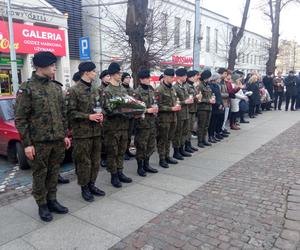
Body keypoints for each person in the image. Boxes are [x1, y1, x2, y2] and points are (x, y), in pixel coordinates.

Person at [15, 51, 71, 222]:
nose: (55, 68)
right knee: (40, 174)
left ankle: (52, 200)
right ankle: (42, 204)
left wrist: (65, 135)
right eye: (53, 65)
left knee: (54, 172)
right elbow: (21, 118)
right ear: (41, 66)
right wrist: (27, 144)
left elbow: (63, 114)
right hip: (39, 143)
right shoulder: (27, 88)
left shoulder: (56, 87)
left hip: (57, 140)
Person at [68, 62, 105, 202]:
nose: (96, 73)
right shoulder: (74, 90)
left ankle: (92, 184)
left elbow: (100, 106)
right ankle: (84, 187)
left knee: (96, 161)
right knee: (84, 162)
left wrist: (101, 116)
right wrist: (88, 116)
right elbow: (70, 113)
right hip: (82, 134)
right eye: (94, 71)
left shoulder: (96, 89)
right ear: (86, 72)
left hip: (96, 131)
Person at [102, 62, 133, 188]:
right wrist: (119, 110)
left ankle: (120, 172)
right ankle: (113, 175)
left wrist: (133, 110)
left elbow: (129, 104)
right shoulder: (106, 91)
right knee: (112, 152)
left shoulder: (123, 89)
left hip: (124, 126)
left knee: (121, 151)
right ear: (113, 74)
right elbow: (105, 110)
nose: (120, 75)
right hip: (112, 128)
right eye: (119, 73)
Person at [133, 69, 158, 176]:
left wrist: (155, 108)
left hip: (152, 122)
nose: (149, 79)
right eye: (147, 78)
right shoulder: (136, 92)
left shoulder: (151, 89)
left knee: (151, 145)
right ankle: (140, 167)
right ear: (141, 79)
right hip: (142, 124)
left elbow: (154, 102)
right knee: (141, 146)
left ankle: (146, 164)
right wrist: (147, 110)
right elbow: (134, 109)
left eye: (149, 77)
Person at [156, 68, 181, 168]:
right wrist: (171, 108)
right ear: (165, 76)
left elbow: (175, 100)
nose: (173, 79)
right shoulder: (159, 89)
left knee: (169, 138)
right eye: (171, 77)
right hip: (164, 119)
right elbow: (157, 106)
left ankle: (167, 156)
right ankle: (162, 158)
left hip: (173, 118)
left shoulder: (172, 88)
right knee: (163, 139)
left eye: (173, 77)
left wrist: (177, 104)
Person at [172, 68, 193, 160]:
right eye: (185, 75)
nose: (186, 77)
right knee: (178, 133)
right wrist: (185, 102)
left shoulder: (183, 86)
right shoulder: (175, 87)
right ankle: (176, 151)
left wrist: (188, 100)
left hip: (186, 113)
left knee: (184, 132)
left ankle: (182, 148)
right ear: (180, 76)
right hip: (179, 113)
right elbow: (174, 102)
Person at [196, 70, 215, 148]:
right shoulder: (200, 86)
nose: (209, 79)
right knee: (201, 125)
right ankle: (200, 141)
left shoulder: (207, 85)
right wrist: (208, 100)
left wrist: (212, 99)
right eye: (208, 77)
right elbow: (199, 99)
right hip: (202, 108)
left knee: (206, 125)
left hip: (208, 108)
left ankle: (204, 139)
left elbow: (209, 95)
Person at [121, 72, 135, 159]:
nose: (129, 79)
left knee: (129, 134)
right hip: (124, 116)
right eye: (126, 77)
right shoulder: (120, 89)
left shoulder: (131, 89)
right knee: (124, 135)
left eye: (129, 77)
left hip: (131, 115)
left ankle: (127, 150)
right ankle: (123, 152)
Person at [185, 70, 200, 152]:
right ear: (190, 77)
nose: (196, 78)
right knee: (187, 129)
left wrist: (198, 97)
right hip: (188, 110)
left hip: (193, 109)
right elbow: (187, 98)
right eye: (195, 76)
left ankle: (189, 144)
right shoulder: (186, 86)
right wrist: (195, 97)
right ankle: (186, 145)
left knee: (190, 128)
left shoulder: (193, 85)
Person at [99, 69, 110, 168]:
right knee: (103, 138)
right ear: (102, 78)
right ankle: (103, 157)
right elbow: (99, 105)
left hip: (111, 118)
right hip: (104, 117)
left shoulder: (111, 88)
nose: (109, 78)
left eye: (109, 76)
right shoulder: (100, 89)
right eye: (107, 76)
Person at [208, 73, 224, 142]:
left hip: (219, 106)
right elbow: (212, 97)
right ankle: (210, 136)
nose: (219, 80)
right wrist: (218, 105)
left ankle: (214, 135)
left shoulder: (217, 86)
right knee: (212, 122)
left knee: (216, 122)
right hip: (214, 107)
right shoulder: (210, 86)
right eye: (218, 78)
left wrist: (222, 104)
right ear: (215, 79)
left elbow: (219, 96)